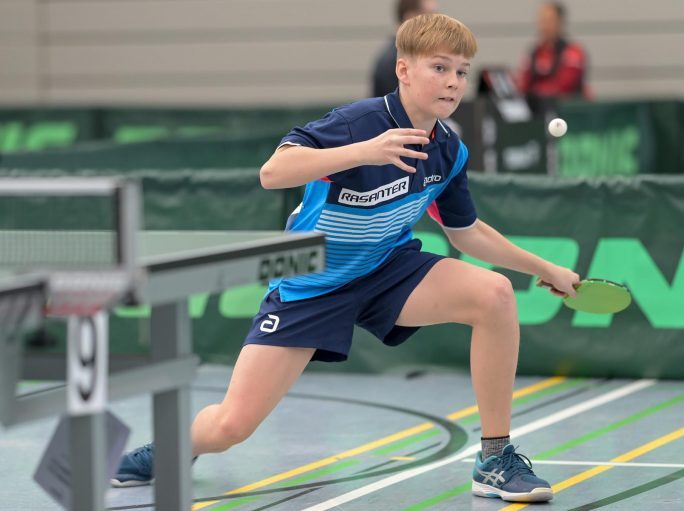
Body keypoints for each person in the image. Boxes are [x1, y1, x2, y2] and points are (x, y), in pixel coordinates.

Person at [112, 13, 579, 503]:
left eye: (462, 72)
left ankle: (495, 458)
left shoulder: (448, 150)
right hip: (311, 282)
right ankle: (171, 446)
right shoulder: (357, 124)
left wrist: (544, 268)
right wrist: (362, 152)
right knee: (231, 426)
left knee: (495, 295)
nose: (453, 82)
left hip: (386, 269)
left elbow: (466, 232)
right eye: (440, 68)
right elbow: (273, 172)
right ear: (403, 70)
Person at [516, 2, 590, 116]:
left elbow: (565, 87)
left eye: (550, 20)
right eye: (542, 20)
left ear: (560, 22)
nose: (545, 25)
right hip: (537, 113)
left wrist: (535, 93)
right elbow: (522, 85)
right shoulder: (532, 54)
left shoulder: (573, 52)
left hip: (567, 113)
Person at [371, 0, 438, 97]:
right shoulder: (392, 61)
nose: (436, 23)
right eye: (430, 16)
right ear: (410, 17)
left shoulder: (403, 53)